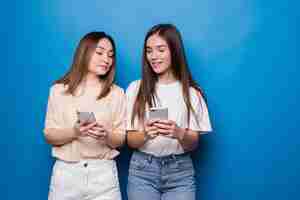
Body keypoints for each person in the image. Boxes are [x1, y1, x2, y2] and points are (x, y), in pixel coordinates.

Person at [126, 24, 212, 200]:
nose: (153, 56)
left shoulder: (192, 93)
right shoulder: (135, 88)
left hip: (180, 173)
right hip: (142, 172)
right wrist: (145, 134)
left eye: (160, 50)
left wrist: (178, 132)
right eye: (149, 51)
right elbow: (130, 141)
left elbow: (193, 144)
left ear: (174, 50)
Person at [44, 32, 125, 200]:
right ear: (85, 52)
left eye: (111, 55)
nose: (106, 59)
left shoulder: (117, 93)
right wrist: (75, 132)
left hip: (103, 175)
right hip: (66, 175)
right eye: (100, 52)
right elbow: (49, 134)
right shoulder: (58, 90)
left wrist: (106, 136)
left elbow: (121, 139)